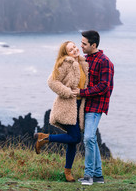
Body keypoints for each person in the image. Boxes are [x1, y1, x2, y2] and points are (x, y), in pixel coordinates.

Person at [34, 41, 89, 182]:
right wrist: (68, 92)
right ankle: (45, 138)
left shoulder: (83, 63)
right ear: (66, 54)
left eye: (75, 47)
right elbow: (52, 82)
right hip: (67, 106)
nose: (75, 50)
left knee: (72, 140)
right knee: (76, 138)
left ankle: (67, 172)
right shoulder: (65, 63)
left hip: (78, 106)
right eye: (71, 49)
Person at [77, 30, 114, 186]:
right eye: (81, 43)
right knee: (90, 139)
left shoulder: (105, 61)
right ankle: (98, 176)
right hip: (85, 105)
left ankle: (88, 176)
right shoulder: (85, 60)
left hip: (97, 105)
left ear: (93, 45)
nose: (81, 46)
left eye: (84, 44)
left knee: (89, 138)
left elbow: (104, 86)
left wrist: (82, 92)